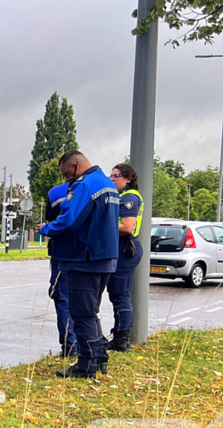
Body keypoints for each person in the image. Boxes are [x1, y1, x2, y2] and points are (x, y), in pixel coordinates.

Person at [38, 151, 119, 379]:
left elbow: (68, 221)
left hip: (84, 258)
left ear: (75, 165)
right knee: (91, 312)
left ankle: (86, 365)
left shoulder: (85, 185)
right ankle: (99, 357)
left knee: (81, 314)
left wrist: (46, 229)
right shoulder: (107, 183)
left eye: (67, 174)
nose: (67, 181)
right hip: (104, 258)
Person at [106, 163, 144, 352]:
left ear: (128, 178)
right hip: (121, 248)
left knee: (120, 294)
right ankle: (119, 334)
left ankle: (121, 338)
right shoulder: (120, 196)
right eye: (111, 175)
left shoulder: (129, 198)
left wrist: (102, 226)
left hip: (126, 248)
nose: (112, 179)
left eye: (116, 176)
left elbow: (128, 227)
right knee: (116, 293)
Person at [45, 180, 77, 358]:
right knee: (86, 299)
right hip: (89, 252)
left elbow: (51, 223)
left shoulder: (56, 192)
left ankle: (70, 346)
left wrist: (45, 230)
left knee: (62, 298)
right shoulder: (97, 188)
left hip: (62, 252)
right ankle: (87, 343)